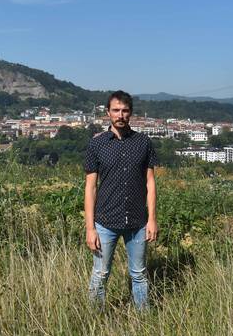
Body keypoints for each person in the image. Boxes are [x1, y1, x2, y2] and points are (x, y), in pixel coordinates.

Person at [83, 90, 158, 310]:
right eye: (116, 110)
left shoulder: (144, 143)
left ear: (131, 113)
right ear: (108, 113)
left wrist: (152, 219)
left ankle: (145, 321)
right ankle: (94, 320)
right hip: (105, 220)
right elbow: (90, 187)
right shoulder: (96, 145)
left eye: (125, 110)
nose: (120, 115)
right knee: (100, 274)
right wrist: (90, 228)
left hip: (138, 221)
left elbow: (150, 183)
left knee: (139, 274)